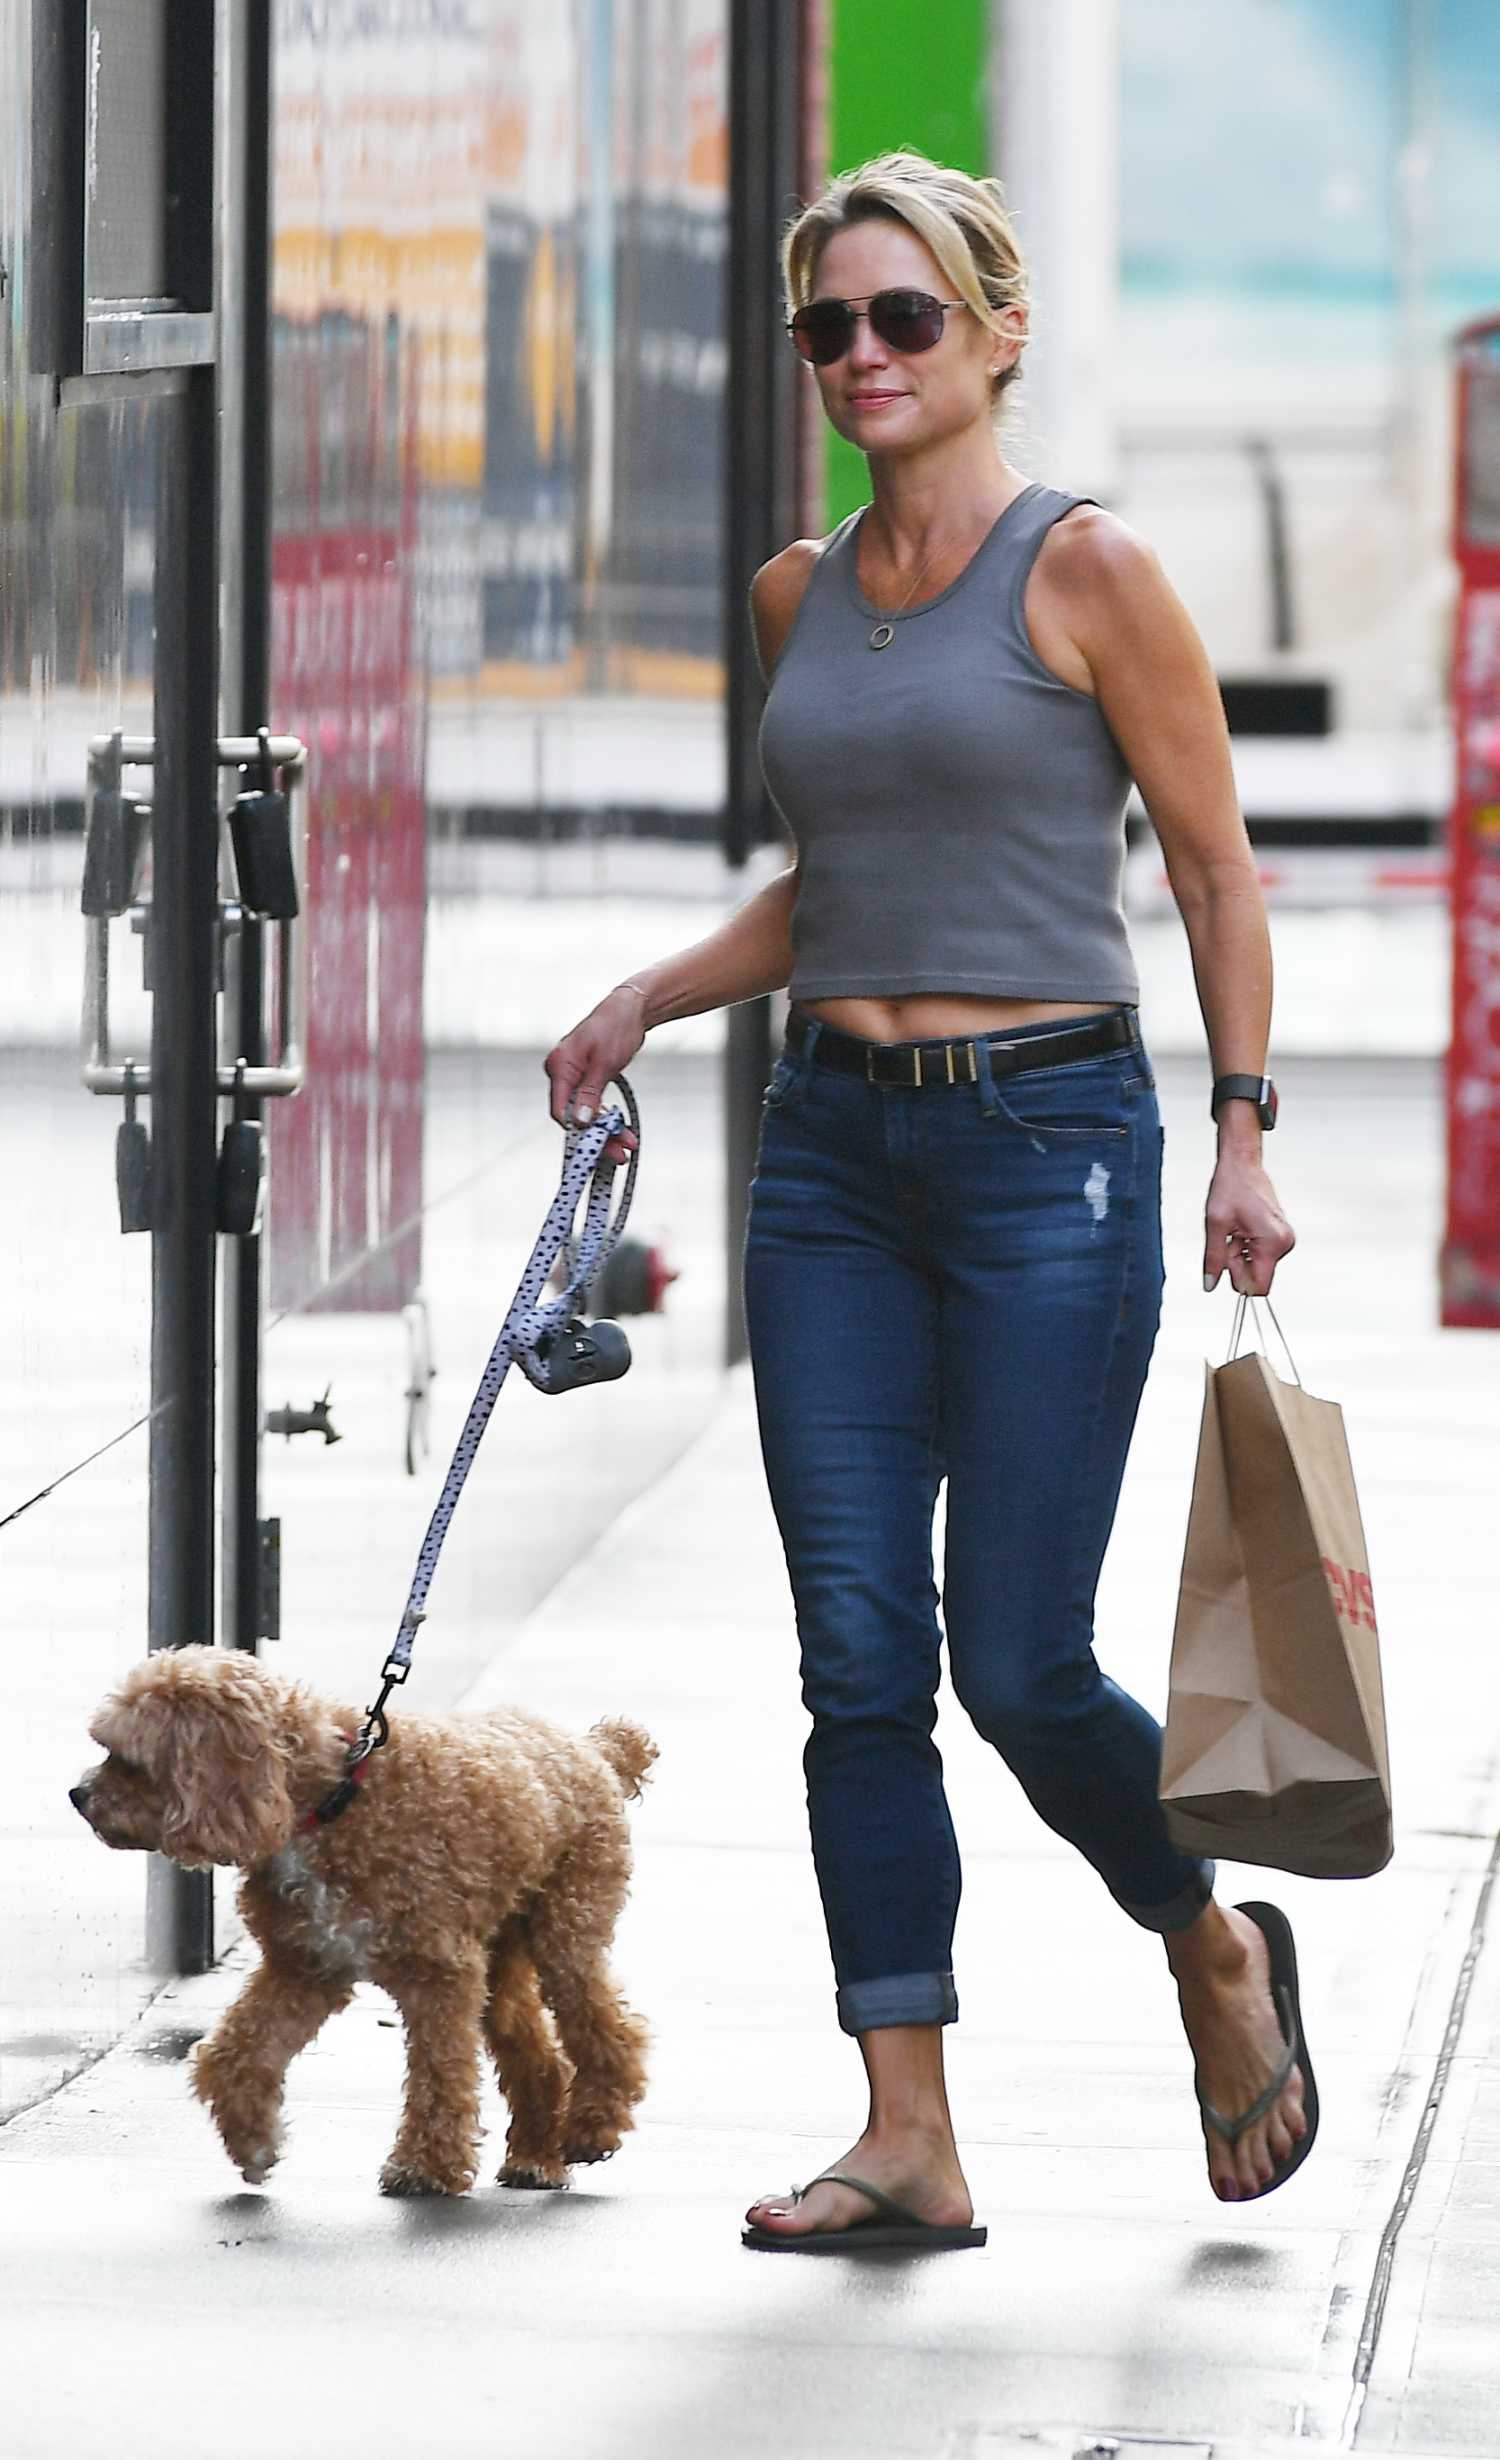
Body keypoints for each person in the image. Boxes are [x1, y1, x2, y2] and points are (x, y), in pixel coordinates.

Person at [545, 150, 1307, 2251]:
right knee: (857, 1663)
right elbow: (842, 883)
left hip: (1050, 1152)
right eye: (828, 329)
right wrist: (654, 987)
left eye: (902, 318)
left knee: (1022, 1662)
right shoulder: (803, 591)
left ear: (996, 332)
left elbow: (1220, 869)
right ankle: (908, 2129)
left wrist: (1240, 1129)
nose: (862, 357)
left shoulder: (1092, 576)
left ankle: (1207, 1945)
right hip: (832, 1167)